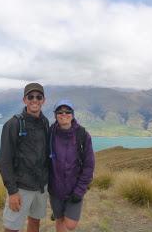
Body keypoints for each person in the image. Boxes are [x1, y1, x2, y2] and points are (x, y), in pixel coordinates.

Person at [0, 83, 49, 232]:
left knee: (34, 222)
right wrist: (12, 191)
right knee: (11, 227)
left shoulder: (45, 122)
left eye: (38, 97)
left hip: (41, 186)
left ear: (43, 100)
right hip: (21, 188)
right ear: (24, 100)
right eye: (31, 97)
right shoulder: (13, 124)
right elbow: (5, 161)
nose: (35, 100)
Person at [48, 99, 95, 232]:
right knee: (59, 220)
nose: (64, 114)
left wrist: (80, 190)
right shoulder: (51, 133)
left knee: (70, 225)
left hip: (74, 189)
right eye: (60, 112)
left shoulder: (83, 135)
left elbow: (89, 166)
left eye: (67, 111)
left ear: (72, 114)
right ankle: (58, 213)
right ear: (55, 115)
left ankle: (64, 212)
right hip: (55, 189)